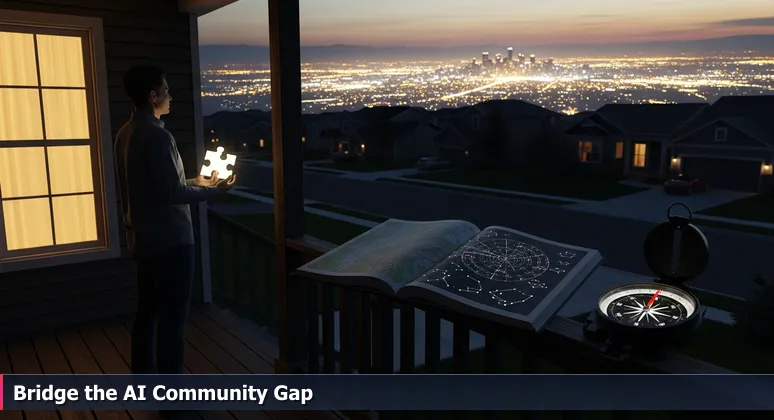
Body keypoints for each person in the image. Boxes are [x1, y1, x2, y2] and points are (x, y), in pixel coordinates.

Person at [114, 65, 236, 375]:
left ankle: (142, 376)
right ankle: (172, 397)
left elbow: (159, 185)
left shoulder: (125, 134)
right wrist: (213, 193)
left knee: (147, 313)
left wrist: (200, 181)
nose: (171, 97)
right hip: (171, 242)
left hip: (142, 239)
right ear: (153, 95)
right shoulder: (157, 136)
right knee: (173, 321)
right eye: (166, 91)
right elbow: (172, 192)